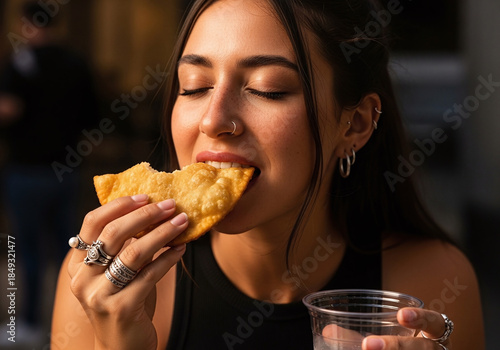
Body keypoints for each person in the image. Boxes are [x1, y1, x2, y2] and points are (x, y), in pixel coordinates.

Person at [51, 0, 484, 349]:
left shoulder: (430, 286)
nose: (213, 119)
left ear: (354, 125)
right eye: (194, 86)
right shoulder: (101, 284)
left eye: (267, 89)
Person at [0, 1, 99, 338]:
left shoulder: (21, 63)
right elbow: (93, 117)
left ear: (26, 23)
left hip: (27, 170)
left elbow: (8, 109)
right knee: (68, 250)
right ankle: (72, 324)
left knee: (23, 251)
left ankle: (24, 324)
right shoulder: (76, 62)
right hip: (66, 170)